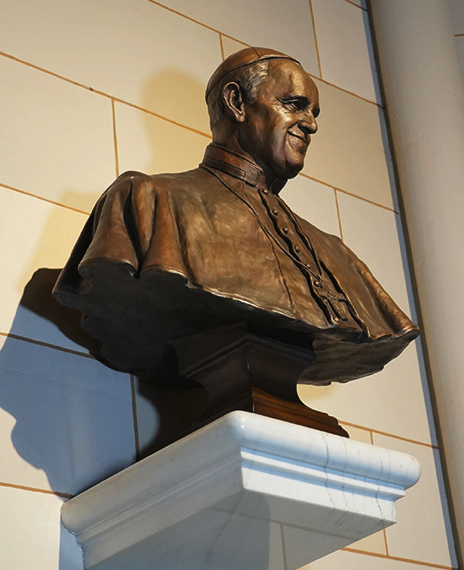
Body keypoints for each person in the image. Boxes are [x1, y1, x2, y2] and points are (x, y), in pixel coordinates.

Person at [54, 48, 418, 386]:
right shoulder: (148, 200)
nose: (311, 124)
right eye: (294, 105)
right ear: (236, 102)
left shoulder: (336, 252)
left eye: (313, 113)